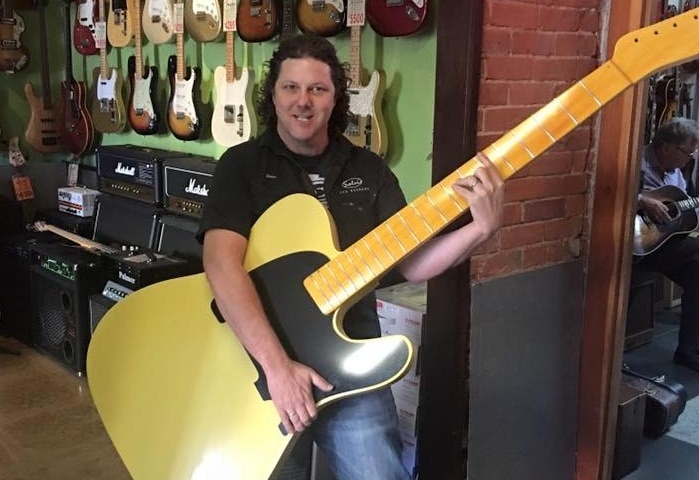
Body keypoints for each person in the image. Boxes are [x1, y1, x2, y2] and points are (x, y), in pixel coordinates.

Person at [197, 33, 505, 479]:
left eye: (317, 89)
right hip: (261, 368)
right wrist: (278, 368)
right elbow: (220, 265)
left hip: (352, 365)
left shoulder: (369, 168)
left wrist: (480, 229)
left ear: (336, 97)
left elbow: (411, 263)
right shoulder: (240, 166)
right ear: (273, 94)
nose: (303, 101)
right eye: (291, 87)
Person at [634, 117, 699, 376]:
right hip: (628, 243)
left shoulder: (676, 175)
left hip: (660, 245)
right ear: (666, 146)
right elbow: (611, 191)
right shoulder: (635, 161)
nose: (690, 158)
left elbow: (684, 216)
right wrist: (641, 199)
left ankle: (689, 349)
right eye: (687, 152)